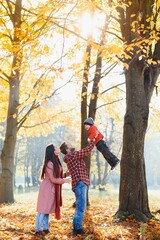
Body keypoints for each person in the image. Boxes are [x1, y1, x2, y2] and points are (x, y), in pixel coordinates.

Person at [60, 140, 95, 236]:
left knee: (80, 205)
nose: (71, 145)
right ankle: (77, 228)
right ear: (67, 149)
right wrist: (93, 141)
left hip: (78, 184)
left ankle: (77, 226)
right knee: (81, 206)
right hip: (80, 183)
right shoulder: (72, 155)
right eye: (69, 144)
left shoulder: (70, 158)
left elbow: (70, 171)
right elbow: (86, 151)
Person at [35, 144, 71, 237]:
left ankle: (46, 228)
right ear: (53, 151)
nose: (58, 148)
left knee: (47, 210)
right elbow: (53, 179)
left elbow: (58, 175)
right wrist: (64, 180)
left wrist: (66, 174)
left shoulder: (56, 161)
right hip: (47, 189)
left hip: (52, 189)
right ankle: (38, 230)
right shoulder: (50, 163)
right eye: (56, 147)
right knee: (42, 210)